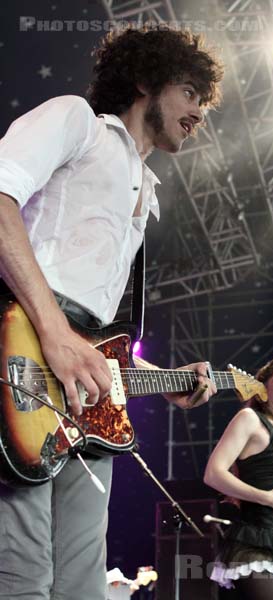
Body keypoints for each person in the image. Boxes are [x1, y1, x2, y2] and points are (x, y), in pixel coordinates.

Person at [0, 25, 223, 600]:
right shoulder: (78, 120)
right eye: (191, 91)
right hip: (24, 349)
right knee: (22, 572)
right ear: (147, 79)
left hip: (89, 389)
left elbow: (103, 331)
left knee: (81, 584)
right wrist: (52, 333)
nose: (200, 111)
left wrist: (159, 380)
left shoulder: (147, 192)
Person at [204, 355, 273, 600]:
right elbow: (213, 473)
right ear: (264, 388)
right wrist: (266, 498)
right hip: (254, 543)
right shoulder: (251, 419)